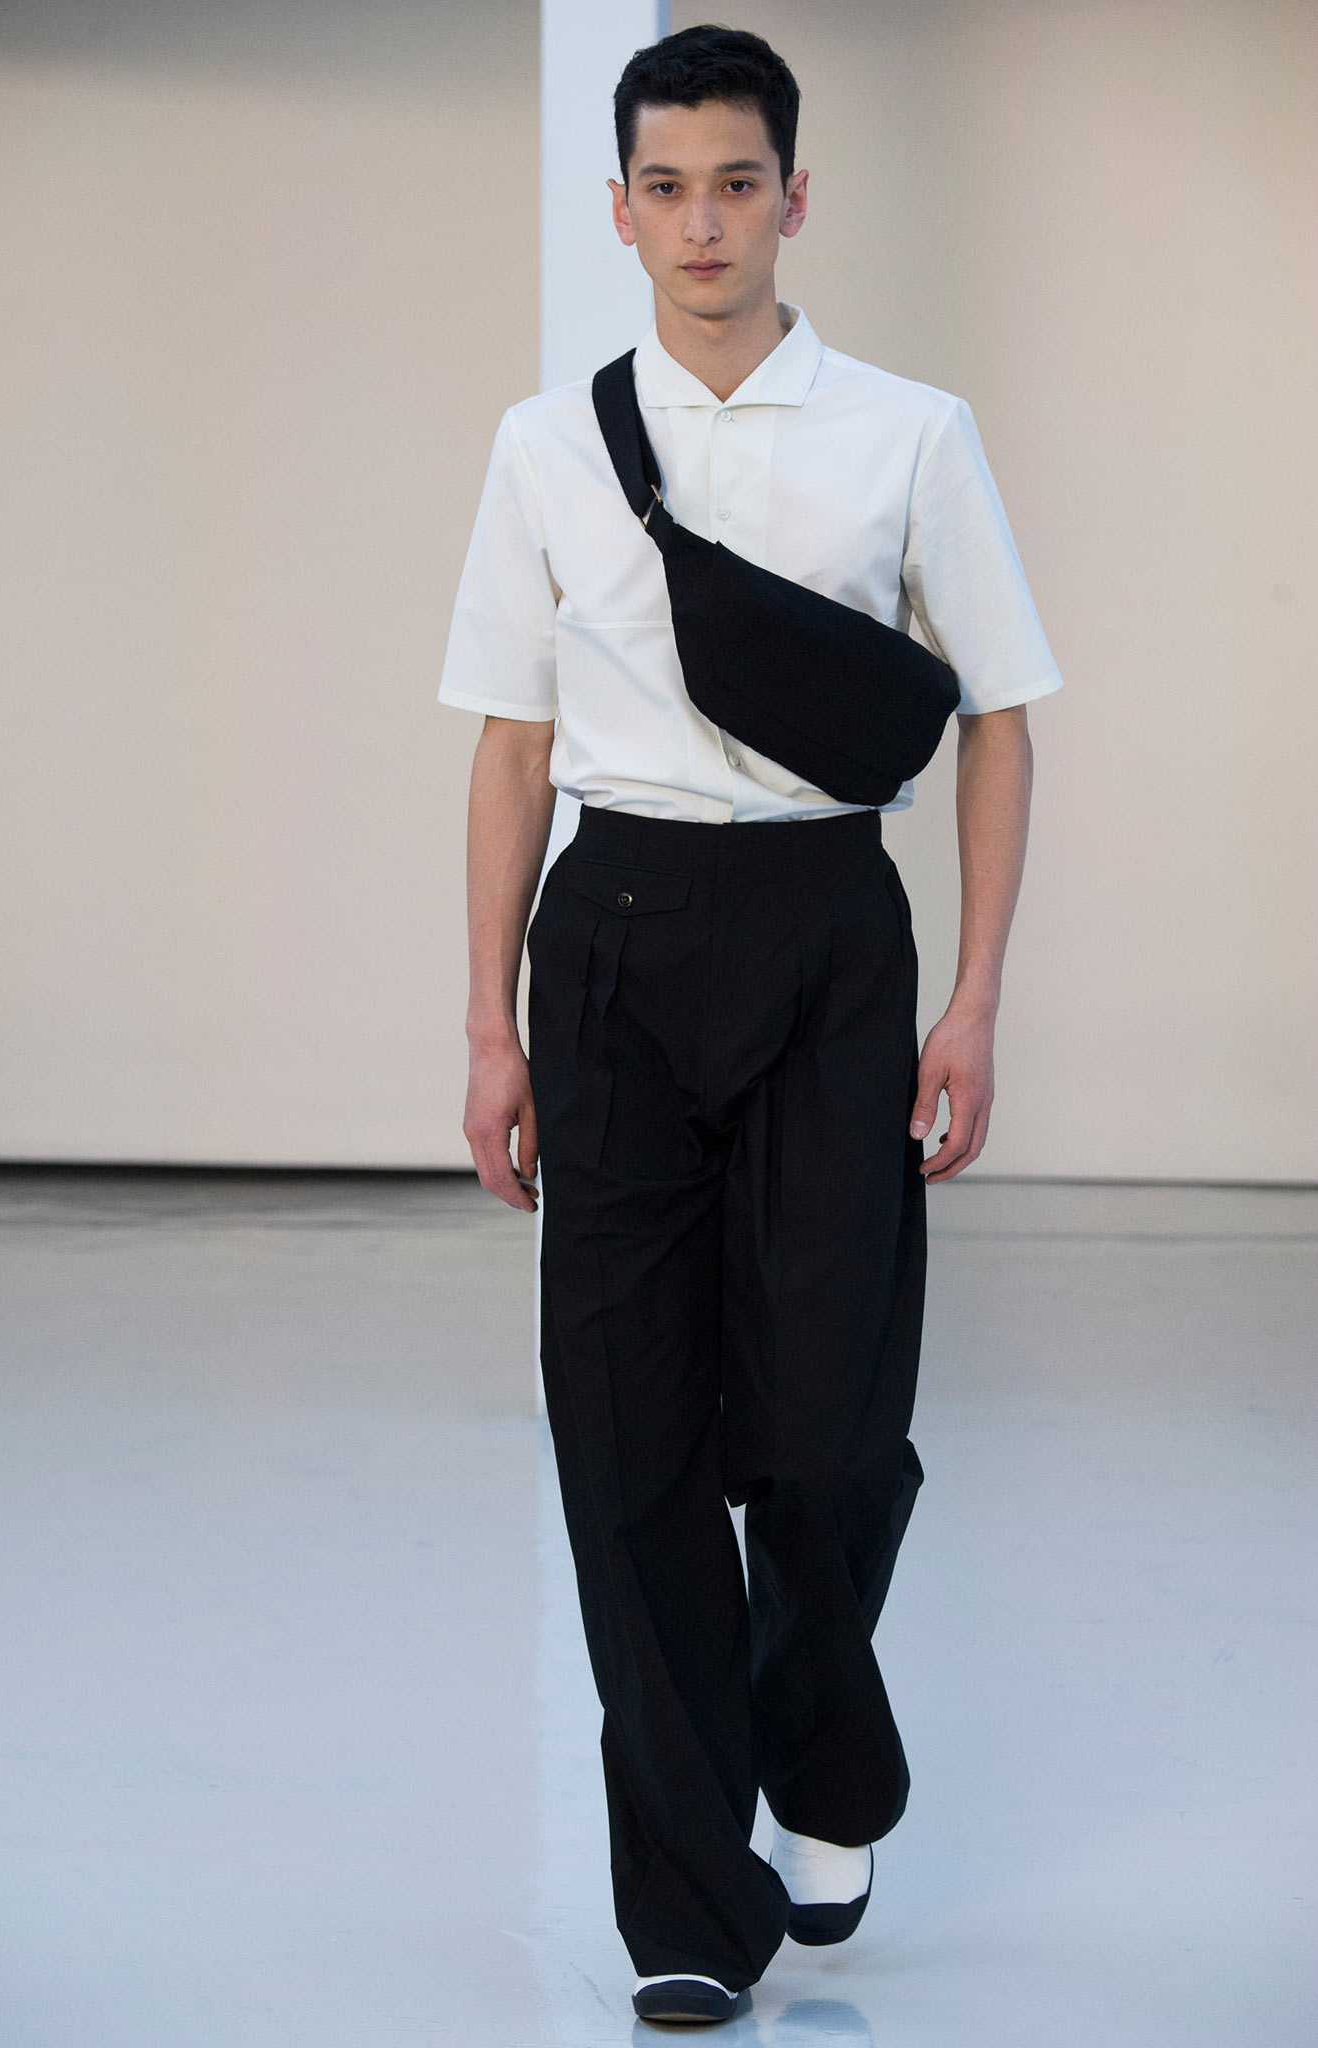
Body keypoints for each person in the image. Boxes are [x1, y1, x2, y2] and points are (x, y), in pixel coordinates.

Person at [437, 23, 1063, 2028]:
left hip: (826, 940)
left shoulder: (907, 431)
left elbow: (996, 715)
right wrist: (488, 1026)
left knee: (822, 1430)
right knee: (624, 1440)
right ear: (615, 212)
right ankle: (693, 1907)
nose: (700, 221)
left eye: (734, 183)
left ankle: (819, 1746)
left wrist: (971, 994)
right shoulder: (546, 444)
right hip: (612, 939)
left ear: (794, 196)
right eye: (664, 187)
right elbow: (511, 745)